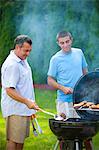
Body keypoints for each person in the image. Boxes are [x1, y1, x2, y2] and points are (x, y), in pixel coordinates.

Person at [47, 31, 93, 150]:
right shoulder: (55, 59)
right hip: (64, 101)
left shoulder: (79, 53)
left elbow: (85, 73)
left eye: (67, 42)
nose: (65, 45)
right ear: (58, 43)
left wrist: (87, 90)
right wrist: (63, 88)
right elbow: (50, 80)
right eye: (62, 43)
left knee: (86, 134)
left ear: (71, 40)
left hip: (80, 100)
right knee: (64, 135)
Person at [1, 35, 40, 150]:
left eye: (30, 50)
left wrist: (30, 107)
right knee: (13, 140)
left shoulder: (22, 60)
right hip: (15, 109)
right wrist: (27, 102)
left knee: (20, 140)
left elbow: (24, 85)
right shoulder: (12, 64)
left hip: (23, 108)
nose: (28, 53)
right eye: (26, 50)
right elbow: (9, 90)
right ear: (17, 48)